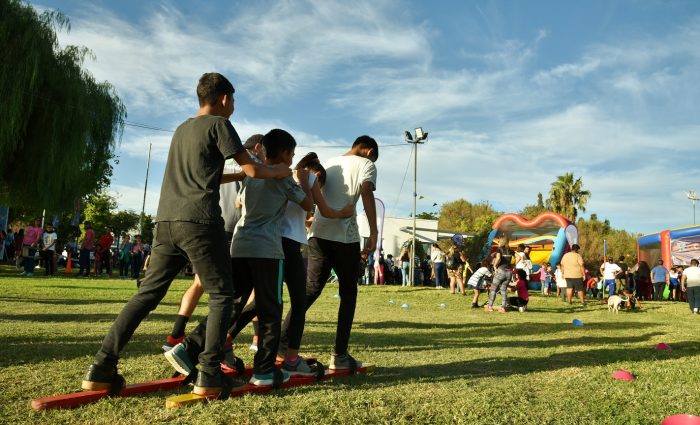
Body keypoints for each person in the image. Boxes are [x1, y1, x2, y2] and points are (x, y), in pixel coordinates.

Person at [80, 73, 291, 398]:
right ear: (223, 99)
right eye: (233, 100)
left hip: (165, 222)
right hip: (200, 221)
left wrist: (238, 172)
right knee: (224, 296)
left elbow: (211, 172)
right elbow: (253, 169)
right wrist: (278, 171)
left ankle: (101, 367)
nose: (233, 106)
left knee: (147, 295)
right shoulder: (220, 125)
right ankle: (208, 374)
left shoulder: (181, 129)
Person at [166, 129, 315, 387]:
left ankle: (188, 348)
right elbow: (308, 205)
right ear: (283, 153)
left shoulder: (251, 174)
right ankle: (264, 371)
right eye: (291, 153)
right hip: (267, 249)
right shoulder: (284, 176)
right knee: (271, 310)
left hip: (240, 244)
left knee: (231, 305)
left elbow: (237, 205)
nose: (292, 159)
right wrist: (301, 180)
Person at [283, 134, 379, 370]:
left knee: (311, 289)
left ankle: (282, 342)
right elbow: (367, 192)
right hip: (344, 236)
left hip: (318, 232)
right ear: (368, 150)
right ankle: (340, 355)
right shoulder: (367, 164)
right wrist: (374, 232)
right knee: (348, 293)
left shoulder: (330, 161)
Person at [485, 237, 513, 313]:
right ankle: (503, 308)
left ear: (502, 242)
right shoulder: (510, 250)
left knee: (493, 289)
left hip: (501, 271)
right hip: (509, 272)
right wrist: (514, 266)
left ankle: (490, 306)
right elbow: (519, 257)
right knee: (504, 290)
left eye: (498, 242)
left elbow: (498, 258)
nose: (498, 243)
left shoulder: (499, 250)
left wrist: (494, 266)